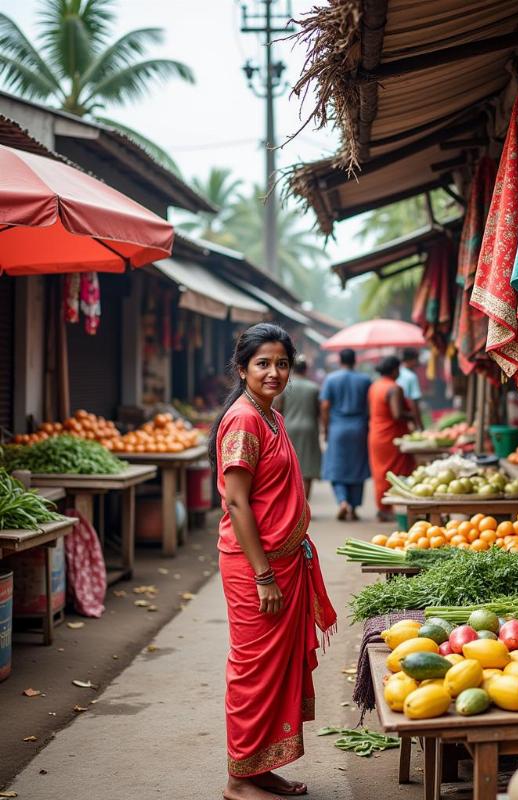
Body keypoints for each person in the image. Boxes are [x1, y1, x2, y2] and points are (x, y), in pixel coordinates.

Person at [208, 323, 336, 800]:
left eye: (282, 363)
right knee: (254, 669)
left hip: (283, 563)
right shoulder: (243, 420)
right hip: (255, 567)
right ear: (242, 369)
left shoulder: (271, 416)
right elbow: (237, 503)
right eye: (263, 363)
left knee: (276, 670)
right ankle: (239, 780)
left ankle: (260, 767)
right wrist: (264, 575)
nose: (274, 372)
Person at [320, 349, 371, 521]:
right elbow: (370, 406)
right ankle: (354, 507)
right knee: (357, 467)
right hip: (359, 427)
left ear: (339, 360)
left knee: (336, 467)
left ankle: (342, 501)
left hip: (338, 428)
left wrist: (326, 429)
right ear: (355, 361)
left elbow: (325, 406)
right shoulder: (365, 380)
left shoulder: (331, 379)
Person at [368, 356, 416, 522]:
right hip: (391, 436)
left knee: (381, 472)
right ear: (395, 370)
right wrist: (413, 415)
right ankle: (394, 508)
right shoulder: (394, 388)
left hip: (376, 434)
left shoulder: (375, 385)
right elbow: (397, 414)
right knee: (395, 472)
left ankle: (383, 508)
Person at [273, 356, 321, 499]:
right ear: (306, 369)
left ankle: (292, 502)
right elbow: (318, 410)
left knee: (289, 466)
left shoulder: (285, 387)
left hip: (288, 428)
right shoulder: (313, 388)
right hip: (309, 428)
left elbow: (277, 408)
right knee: (307, 468)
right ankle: (304, 505)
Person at [397, 348, 423, 430]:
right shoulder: (411, 377)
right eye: (416, 360)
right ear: (410, 360)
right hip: (408, 416)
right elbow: (414, 402)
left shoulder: (397, 373)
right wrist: (419, 425)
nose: (418, 363)